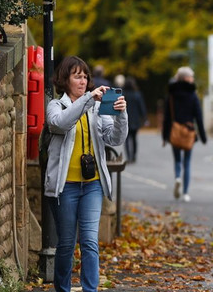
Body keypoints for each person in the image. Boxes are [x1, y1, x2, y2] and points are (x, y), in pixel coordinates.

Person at [44, 56, 128, 292]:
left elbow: (115, 138)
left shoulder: (98, 108)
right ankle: (63, 288)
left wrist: (122, 115)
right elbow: (61, 124)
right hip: (65, 187)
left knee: (90, 241)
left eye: (85, 77)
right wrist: (88, 99)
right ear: (64, 79)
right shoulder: (56, 106)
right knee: (67, 244)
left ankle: (90, 289)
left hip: (92, 185)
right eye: (76, 76)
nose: (82, 81)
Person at [162, 66, 206, 202]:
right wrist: (203, 136)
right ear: (186, 78)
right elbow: (198, 116)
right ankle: (186, 193)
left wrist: (165, 136)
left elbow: (167, 116)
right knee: (187, 162)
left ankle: (177, 178)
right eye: (191, 76)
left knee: (177, 160)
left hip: (175, 130)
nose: (192, 79)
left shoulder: (171, 95)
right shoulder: (193, 95)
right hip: (189, 132)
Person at [122, 76, 147, 162]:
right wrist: (144, 117)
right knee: (134, 138)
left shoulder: (123, 94)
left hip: (126, 120)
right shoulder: (137, 94)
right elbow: (142, 107)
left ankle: (128, 156)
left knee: (127, 139)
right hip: (135, 120)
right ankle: (134, 156)